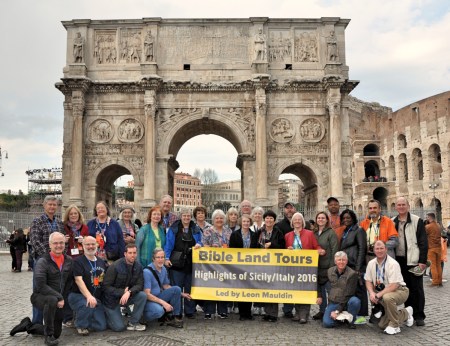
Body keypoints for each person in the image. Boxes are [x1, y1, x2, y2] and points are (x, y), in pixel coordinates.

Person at [30, 232, 73, 346]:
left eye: (61, 243)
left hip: (59, 299)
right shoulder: (42, 261)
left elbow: (69, 281)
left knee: (57, 333)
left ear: (65, 244)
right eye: (55, 243)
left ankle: (29, 326)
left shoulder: (69, 260)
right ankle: (48, 337)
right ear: (50, 245)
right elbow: (40, 285)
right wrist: (59, 297)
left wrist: (63, 297)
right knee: (52, 300)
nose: (58, 245)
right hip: (40, 296)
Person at [364, 240, 414, 335]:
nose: (379, 251)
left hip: (400, 291)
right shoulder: (371, 263)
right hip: (384, 292)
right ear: (373, 250)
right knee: (382, 325)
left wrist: (378, 295)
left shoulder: (393, 263)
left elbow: (394, 285)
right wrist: (371, 293)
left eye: (382, 248)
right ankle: (406, 313)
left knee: (387, 297)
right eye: (377, 249)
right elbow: (368, 281)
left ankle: (395, 326)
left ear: (386, 249)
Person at [392, 197, 428, 326]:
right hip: (399, 260)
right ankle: (409, 313)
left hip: (413, 260)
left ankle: (419, 315)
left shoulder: (417, 221)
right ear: (396, 207)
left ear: (408, 206)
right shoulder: (393, 222)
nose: (401, 207)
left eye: (403, 204)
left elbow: (423, 242)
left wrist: (422, 261)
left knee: (417, 288)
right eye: (399, 205)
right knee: (405, 288)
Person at [30, 195, 65, 325]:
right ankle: (37, 322)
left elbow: (62, 243)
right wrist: (47, 257)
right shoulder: (37, 221)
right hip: (42, 261)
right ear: (44, 206)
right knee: (39, 290)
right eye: (49, 204)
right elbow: (35, 241)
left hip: (57, 262)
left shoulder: (60, 223)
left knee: (54, 290)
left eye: (54, 204)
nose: (52, 207)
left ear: (57, 207)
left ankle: (52, 321)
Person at [164, 208, 202, 319]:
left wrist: (199, 244)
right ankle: (177, 311)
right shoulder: (174, 228)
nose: (186, 218)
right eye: (184, 216)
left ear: (191, 217)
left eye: (188, 216)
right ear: (181, 217)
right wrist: (167, 257)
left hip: (191, 262)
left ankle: (190, 311)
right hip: (176, 262)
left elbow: (201, 241)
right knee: (177, 288)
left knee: (190, 288)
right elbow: (168, 244)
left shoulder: (195, 228)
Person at [284, 212, 322, 323]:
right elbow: (282, 252)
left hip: (306, 268)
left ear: (302, 222)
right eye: (295, 219)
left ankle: (304, 314)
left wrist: (320, 250)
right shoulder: (288, 236)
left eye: (299, 219)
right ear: (292, 222)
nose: (297, 221)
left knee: (305, 290)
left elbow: (316, 246)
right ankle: (297, 313)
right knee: (295, 290)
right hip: (293, 268)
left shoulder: (309, 234)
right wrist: (287, 250)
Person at [102, 243, 147, 332]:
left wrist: (129, 292)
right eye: (130, 253)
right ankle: (107, 315)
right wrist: (122, 292)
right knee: (119, 327)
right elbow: (106, 287)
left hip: (127, 296)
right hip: (111, 300)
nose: (132, 255)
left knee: (142, 295)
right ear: (125, 254)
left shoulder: (138, 266)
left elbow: (140, 285)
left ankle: (133, 322)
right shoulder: (115, 266)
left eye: (134, 253)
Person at [68, 236, 107, 335]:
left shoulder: (101, 261)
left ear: (97, 245)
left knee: (101, 326)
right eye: (87, 244)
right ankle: (80, 324)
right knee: (87, 303)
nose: (90, 246)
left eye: (93, 244)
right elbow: (78, 280)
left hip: (95, 298)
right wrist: (89, 296)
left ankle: (83, 316)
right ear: (83, 245)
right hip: (78, 296)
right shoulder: (77, 261)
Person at [143, 248, 190, 327]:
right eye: (158, 257)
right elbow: (147, 294)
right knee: (159, 311)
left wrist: (182, 294)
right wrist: (163, 303)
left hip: (159, 296)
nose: (161, 260)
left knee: (176, 289)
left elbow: (166, 285)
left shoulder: (163, 269)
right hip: (150, 300)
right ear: (153, 259)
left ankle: (175, 317)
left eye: (162, 257)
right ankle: (143, 317)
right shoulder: (147, 272)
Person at [201, 209, 232, 319]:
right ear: (213, 220)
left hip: (225, 264)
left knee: (223, 286)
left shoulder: (228, 231)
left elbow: (232, 246)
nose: (219, 220)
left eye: (221, 218)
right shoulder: (207, 231)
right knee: (210, 286)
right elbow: (203, 245)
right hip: (211, 264)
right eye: (217, 218)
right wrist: (211, 248)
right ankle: (208, 311)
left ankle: (222, 311)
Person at [338, 209, 368, 324]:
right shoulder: (346, 231)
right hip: (348, 264)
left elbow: (362, 249)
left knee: (360, 290)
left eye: (348, 218)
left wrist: (358, 267)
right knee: (351, 290)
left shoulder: (359, 230)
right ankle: (351, 313)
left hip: (356, 265)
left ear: (353, 218)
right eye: (344, 218)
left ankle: (362, 315)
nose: (346, 220)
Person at [256, 210, 285, 322]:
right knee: (265, 288)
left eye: (271, 218)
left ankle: (273, 314)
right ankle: (267, 312)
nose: (269, 220)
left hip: (275, 264)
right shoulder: (259, 232)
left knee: (273, 288)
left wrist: (272, 244)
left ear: (274, 220)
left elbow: (282, 246)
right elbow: (254, 246)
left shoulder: (278, 232)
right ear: (264, 219)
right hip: (262, 264)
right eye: (267, 218)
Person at [229, 214, 258, 320]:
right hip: (239, 266)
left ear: (250, 223)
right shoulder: (235, 234)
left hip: (251, 266)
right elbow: (232, 250)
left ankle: (248, 312)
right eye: (244, 221)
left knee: (249, 289)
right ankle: (242, 313)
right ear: (241, 222)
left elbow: (257, 249)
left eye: (248, 221)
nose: (246, 223)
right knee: (241, 289)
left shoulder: (254, 235)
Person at [322, 251, 361, 329]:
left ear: (346, 261)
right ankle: (341, 320)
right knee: (327, 323)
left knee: (355, 301)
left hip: (346, 302)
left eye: (343, 260)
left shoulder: (352, 274)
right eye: (339, 260)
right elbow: (320, 281)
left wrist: (337, 311)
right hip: (334, 301)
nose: (341, 262)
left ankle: (350, 321)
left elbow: (348, 294)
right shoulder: (330, 271)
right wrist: (319, 295)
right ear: (335, 261)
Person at [313, 212, 339, 322]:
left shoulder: (331, 233)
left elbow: (334, 249)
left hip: (328, 266)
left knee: (330, 290)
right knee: (320, 290)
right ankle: (322, 310)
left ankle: (331, 310)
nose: (321, 220)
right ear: (316, 220)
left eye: (323, 218)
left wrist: (333, 266)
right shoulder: (313, 233)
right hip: (315, 265)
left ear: (326, 220)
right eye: (319, 218)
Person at [425, 212, 442, 286]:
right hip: (438, 247)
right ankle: (439, 281)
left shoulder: (428, 226)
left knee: (433, 266)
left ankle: (435, 282)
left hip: (431, 248)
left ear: (430, 217)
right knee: (438, 265)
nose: (427, 218)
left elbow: (424, 235)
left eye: (427, 217)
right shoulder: (438, 225)